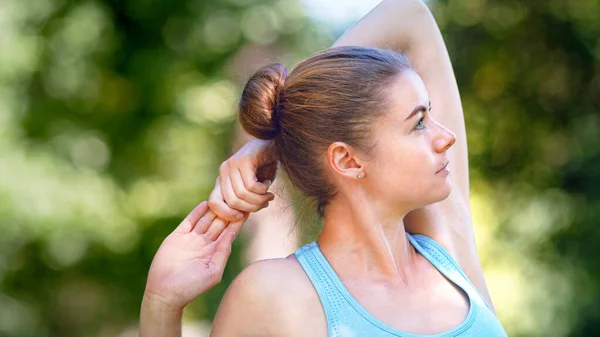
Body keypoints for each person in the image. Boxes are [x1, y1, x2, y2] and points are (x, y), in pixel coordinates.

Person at [140, 0, 508, 336]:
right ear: (347, 160)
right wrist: (161, 305)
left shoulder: (445, 250)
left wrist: (279, 134)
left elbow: (411, 14)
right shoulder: (274, 296)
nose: (447, 138)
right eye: (419, 122)